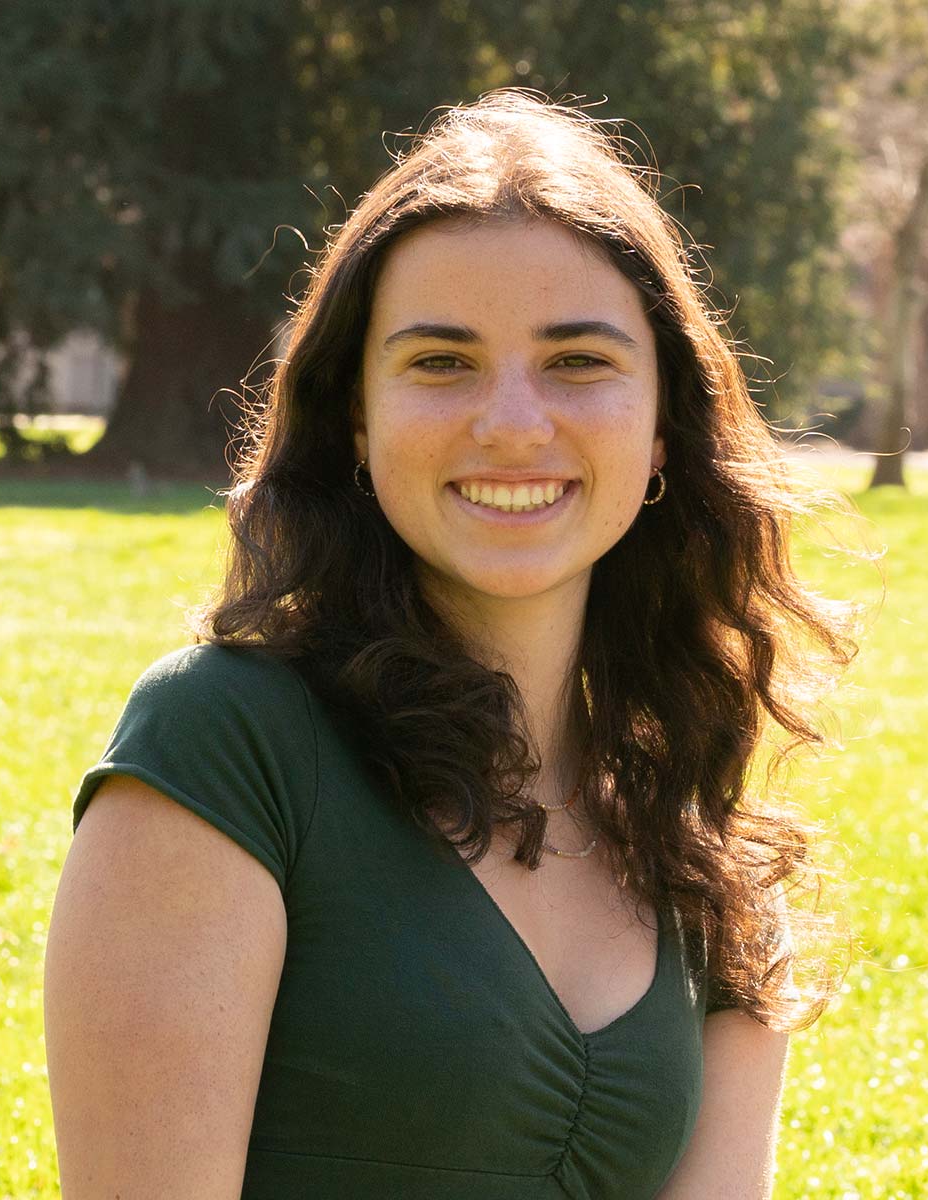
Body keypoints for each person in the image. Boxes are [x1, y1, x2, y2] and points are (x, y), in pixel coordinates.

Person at [44, 90, 857, 1199]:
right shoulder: (225, 745)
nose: (513, 424)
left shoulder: (700, 841)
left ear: (665, 423)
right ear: (358, 419)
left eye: (579, 361)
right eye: (440, 362)